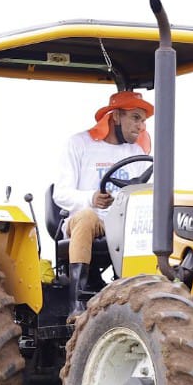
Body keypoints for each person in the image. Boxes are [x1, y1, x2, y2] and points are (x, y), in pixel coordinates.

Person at [54, 89, 153, 317]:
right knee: (88, 216)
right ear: (116, 116)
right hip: (86, 221)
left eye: (144, 121)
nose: (141, 126)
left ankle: (145, 293)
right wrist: (91, 198)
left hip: (123, 223)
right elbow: (61, 193)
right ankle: (77, 302)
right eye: (136, 118)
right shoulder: (80, 144)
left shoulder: (136, 151)